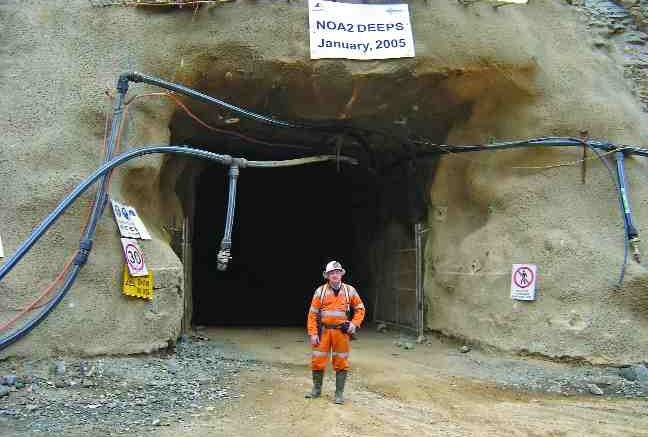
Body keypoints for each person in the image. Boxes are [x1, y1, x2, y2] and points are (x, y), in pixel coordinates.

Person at [305, 261, 366, 404]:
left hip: (341, 333)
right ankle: (316, 390)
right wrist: (313, 333)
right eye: (332, 273)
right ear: (327, 276)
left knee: (341, 362)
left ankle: (339, 394)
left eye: (337, 272)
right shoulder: (320, 291)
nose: (335, 275)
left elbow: (360, 308)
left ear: (341, 274)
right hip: (323, 331)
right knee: (318, 360)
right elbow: (312, 314)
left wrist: (354, 324)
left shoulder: (349, 291)